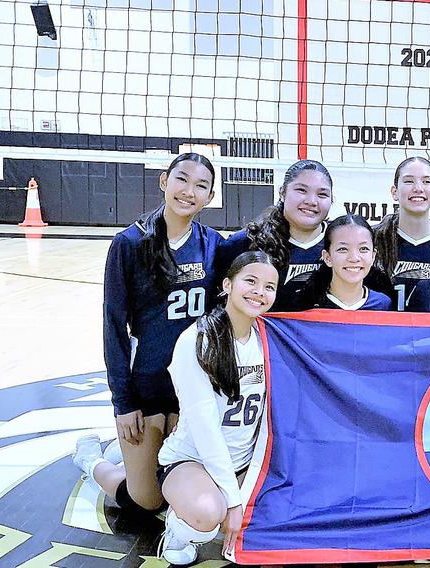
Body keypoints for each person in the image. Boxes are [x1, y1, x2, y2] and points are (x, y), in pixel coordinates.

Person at [73, 152, 223, 517]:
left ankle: (128, 454)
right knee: (147, 501)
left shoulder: (214, 244)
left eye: (201, 185)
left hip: (192, 388)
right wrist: (123, 403)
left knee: (183, 489)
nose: (189, 191)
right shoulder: (129, 244)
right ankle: (92, 460)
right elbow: (113, 327)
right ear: (163, 181)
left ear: (209, 195)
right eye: (182, 180)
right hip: (147, 388)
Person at [155, 251, 278, 565]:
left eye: (269, 286)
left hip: (244, 463)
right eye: (250, 281)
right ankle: (92, 463)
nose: (259, 292)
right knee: (209, 514)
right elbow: (205, 427)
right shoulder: (196, 340)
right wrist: (234, 502)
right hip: (192, 459)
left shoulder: (269, 339)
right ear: (227, 284)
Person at [218, 159, 333, 310]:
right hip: (263, 332)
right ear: (282, 193)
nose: (312, 201)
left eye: (322, 194)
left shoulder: (342, 243)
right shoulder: (244, 244)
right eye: (301, 190)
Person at [374, 157, 430, 311]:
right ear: (394, 192)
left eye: (427, 181)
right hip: (384, 332)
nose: (418, 188)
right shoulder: (373, 238)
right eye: (409, 181)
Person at [295, 214, 394, 311]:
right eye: (343, 249)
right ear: (327, 257)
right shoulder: (308, 306)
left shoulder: (383, 304)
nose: (354, 258)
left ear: (373, 256)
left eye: (363, 249)